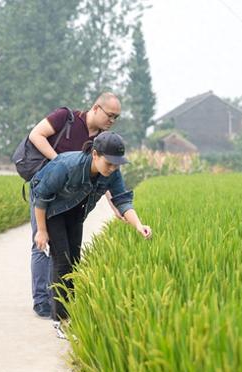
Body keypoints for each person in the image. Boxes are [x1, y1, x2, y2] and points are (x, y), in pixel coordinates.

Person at [32, 131, 152, 323]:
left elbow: (122, 199)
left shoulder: (112, 173)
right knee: (62, 262)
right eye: (109, 163)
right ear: (95, 154)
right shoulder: (66, 166)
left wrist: (138, 225)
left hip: (74, 209)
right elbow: (41, 196)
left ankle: (71, 309)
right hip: (52, 208)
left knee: (74, 261)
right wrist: (42, 230)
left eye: (116, 164)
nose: (113, 168)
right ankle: (60, 320)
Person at [29, 93, 124, 318]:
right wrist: (59, 163)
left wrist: (116, 206)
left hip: (70, 200)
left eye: (116, 118)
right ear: (95, 108)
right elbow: (36, 135)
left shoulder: (103, 140)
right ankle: (42, 302)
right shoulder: (66, 118)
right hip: (48, 190)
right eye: (109, 115)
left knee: (66, 255)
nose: (112, 120)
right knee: (42, 243)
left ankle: (59, 303)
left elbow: (106, 176)